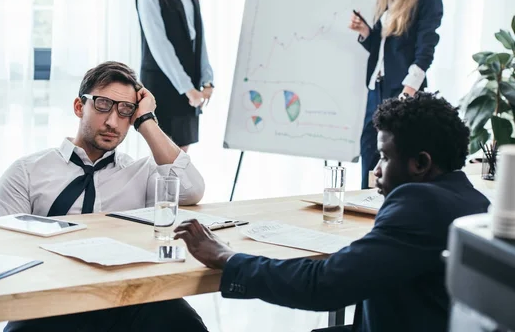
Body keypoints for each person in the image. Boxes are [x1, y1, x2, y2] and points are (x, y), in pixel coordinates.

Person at [174, 92, 490, 332]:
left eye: (384, 158)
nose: (376, 171)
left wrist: (227, 257)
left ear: (420, 163)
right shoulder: (473, 201)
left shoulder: (419, 204)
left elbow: (324, 286)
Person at [0, 61, 208, 331]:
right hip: (51, 299)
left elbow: (192, 189)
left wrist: (146, 121)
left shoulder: (142, 173)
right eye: (103, 105)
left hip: (131, 297)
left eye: (125, 111)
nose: (112, 122)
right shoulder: (27, 172)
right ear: (80, 107)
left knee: (184, 323)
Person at [349, 0, 444, 189]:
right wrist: (367, 33)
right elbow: (385, 47)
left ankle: (389, 210)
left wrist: (408, 92)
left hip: (402, 90)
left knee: (394, 159)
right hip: (377, 87)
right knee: (369, 148)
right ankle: (364, 202)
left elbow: (426, 49)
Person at [135, 0, 214, 152]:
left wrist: (208, 80)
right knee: (163, 158)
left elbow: (198, 38)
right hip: (163, 85)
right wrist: (188, 89)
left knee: (182, 157)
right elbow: (159, 45)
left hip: (189, 85)